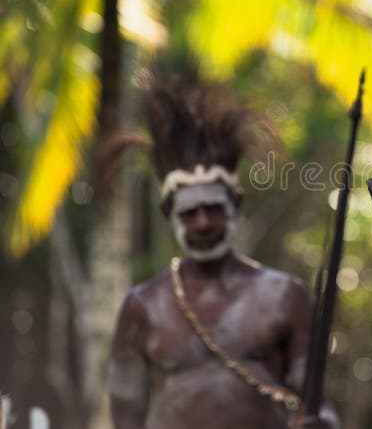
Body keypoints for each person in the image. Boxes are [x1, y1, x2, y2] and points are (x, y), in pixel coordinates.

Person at [108, 82, 338, 429]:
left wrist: (324, 423)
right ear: (168, 215)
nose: (202, 224)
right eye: (189, 213)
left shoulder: (283, 296)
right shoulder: (143, 306)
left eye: (213, 208)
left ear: (236, 204)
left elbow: (316, 401)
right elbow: (125, 417)